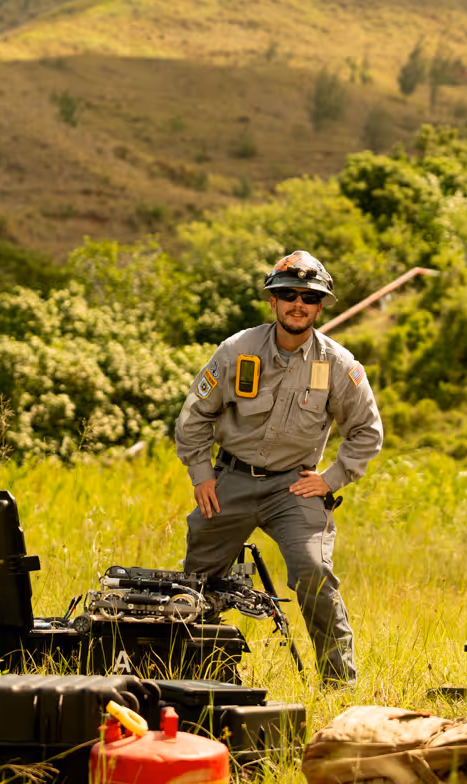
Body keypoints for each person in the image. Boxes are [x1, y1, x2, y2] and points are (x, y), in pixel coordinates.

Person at [175, 249, 383, 684]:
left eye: (309, 297)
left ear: (321, 305)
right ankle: (189, 672)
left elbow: (367, 432)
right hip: (230, 479)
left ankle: (338, 682)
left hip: (293, 488)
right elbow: (195, 415)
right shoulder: (238, 350)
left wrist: (330, 480)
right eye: (288, 294)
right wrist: (202, 474)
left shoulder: (340, 365)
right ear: (272, 301)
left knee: (313, 571)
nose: (298, 304)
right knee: (196, 582)